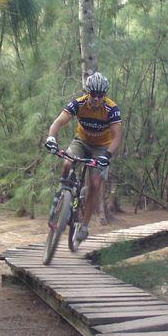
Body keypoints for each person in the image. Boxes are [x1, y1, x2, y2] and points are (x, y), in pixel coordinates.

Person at [45, 72, 122, 242]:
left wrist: (107, 155)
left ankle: (84, 225)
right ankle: (63, 194)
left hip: (101, 147)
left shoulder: (111, 109)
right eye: (92, 94)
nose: (96, 98)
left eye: (100, 95)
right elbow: (58, 121)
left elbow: (116, 137)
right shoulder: (78, 104)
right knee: (67, 163)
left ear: (104, 95)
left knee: (95, 184)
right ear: (87, 92)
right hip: (81, 142)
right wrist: (51, 137)